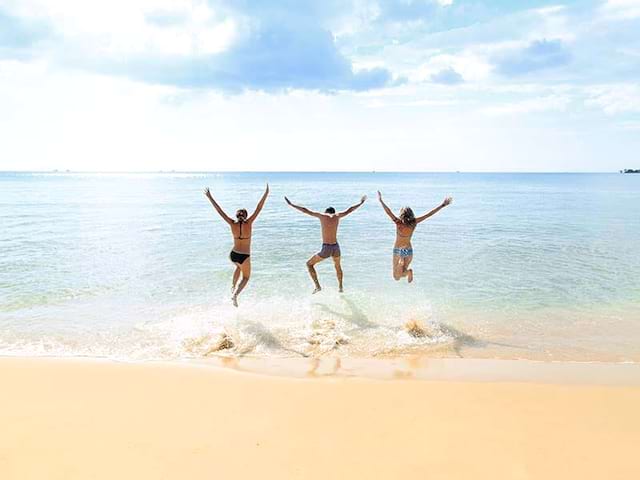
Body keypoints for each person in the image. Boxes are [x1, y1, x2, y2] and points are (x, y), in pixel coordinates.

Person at [284, 195, 367, 294]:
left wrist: (291, 204)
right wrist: (361, 203)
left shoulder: (322, 216)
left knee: (309, 264)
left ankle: (317, 286)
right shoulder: (337, 216)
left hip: (326, 248)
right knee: (337, 266)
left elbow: (305, 210)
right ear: (333, 212)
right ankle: (340, 287)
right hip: (336, 247)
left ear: (326, 212)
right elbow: (349, 210)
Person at [204, 184, 269, 307]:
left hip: (233, 254)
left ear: (236, 216)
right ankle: (235, 295)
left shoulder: (231, 223)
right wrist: (266, 193)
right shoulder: (249, 223)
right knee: (246, 277)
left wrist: (210, 197)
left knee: (238, 267)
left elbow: (219, 211)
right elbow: (259, 208)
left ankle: (233, 286)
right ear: (246, 216)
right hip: (244, 256)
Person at [377, 191, 452, 283]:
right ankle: (407, 271)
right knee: (402, 272)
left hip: (398, 249)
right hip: (408, 250)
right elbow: (429, 214)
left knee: (396, 277)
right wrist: (442, 205)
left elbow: (388, 212)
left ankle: (402, 262)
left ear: (402, 214)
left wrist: (381, 201)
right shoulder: (414, 223)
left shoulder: (398, 223)